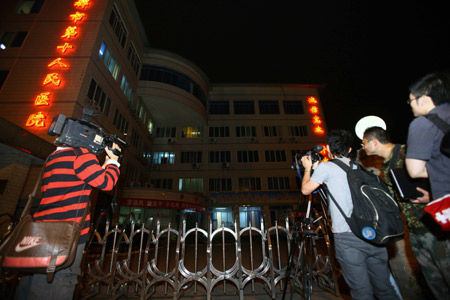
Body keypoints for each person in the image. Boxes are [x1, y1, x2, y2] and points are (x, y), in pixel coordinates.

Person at [301, 129, 400, 300]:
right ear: (349, 150)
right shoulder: (359, 168)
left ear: (328, 148)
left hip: (348, 237)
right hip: (374, 234)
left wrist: (308, 169)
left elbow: (305, 189)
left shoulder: (326, 167)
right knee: (384, 288)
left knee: (361, 291)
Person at [14, 143, 121, 300]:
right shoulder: (81, 155)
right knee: (60, 280)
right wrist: (114, 161)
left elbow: (88, 177)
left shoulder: (54, 157)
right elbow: (106, 183)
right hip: (66, 234)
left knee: (33, 281)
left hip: (41, 230)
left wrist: (104, 164)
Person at [362, 126, 436, 299]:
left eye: (364, 143)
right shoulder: (386, 166)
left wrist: (433, 195)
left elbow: (442, 173)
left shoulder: (407, 153)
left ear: (374, 142)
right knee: (434, 283)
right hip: (415, 228)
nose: (363, 147)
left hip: (433, 226)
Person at [404, 71, 450, 299]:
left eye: (411, 100)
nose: (410, 105)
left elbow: (415, 170)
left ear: (424, 99)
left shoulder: (422, 124)